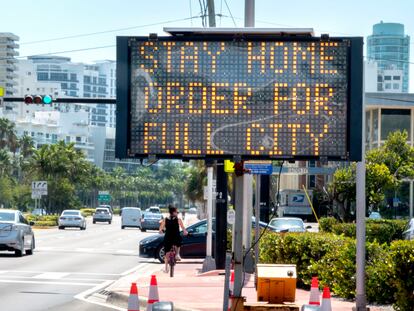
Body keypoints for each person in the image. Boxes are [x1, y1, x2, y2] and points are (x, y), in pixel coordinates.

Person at [159, 205, 188, 272]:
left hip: (168, 237)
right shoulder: (178, 219)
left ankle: (166, 268)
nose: (177, 213)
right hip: (175, 236)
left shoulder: (165, 219)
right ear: (173, 212)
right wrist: (185, 231)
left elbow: (161, 228)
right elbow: (183, 228)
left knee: (167, 253)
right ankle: (177, 254)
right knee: (179, 242)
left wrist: (160, 231)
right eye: (176, 212)